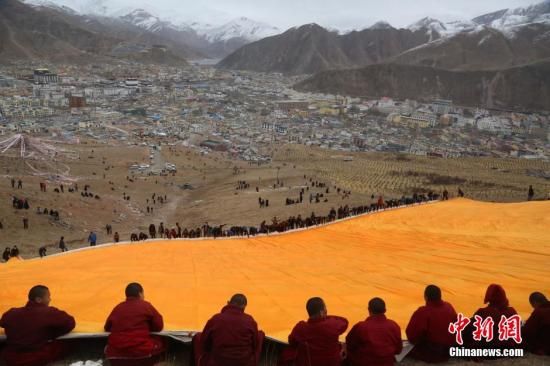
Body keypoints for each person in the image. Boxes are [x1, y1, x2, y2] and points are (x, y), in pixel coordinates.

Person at [0, 285, 75, 366]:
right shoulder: (49, 312)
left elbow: (2, 323)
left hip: (11, 358)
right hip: (35, 358)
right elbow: (70, 323)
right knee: (65, 345)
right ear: (38, 300)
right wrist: (52, 334)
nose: (50, 300)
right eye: (48, 297)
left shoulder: (11, 313)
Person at [104, 283, 166, 366]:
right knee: (161, 341)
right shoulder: (146, 306)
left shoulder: (118, 308)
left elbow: (107, 327)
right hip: (142, 355)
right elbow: (159, 326)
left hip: (116, 357)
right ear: (140, 294)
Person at [197, 294, 263, 366]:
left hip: (218, 362)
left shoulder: (216, 319)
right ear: (244, 306)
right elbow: (255, 344)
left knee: (198, 337)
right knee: (260, 335)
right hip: (243, 363)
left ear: (228, 303)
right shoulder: (250, 320)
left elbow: (204, 342)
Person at [284, 297, 348, 366]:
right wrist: (325, 317)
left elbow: (291, 340)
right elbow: (344, 321)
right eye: (325, 309)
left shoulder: (301, 328)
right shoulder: (332, 325)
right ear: (322, 312)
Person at [405, 285, 457, 363]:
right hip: (449, 350)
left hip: (432, 353)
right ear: (440, 296)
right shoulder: (449, 307)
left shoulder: (423, 312)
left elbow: (411, 335)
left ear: (425, 297)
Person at [346, 297, 402, 366]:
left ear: (369, 310)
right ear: (385, 310)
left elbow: (349, 344)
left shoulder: (361, 326)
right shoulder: (394, 325)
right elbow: (398, 350)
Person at [465, 284, 519, 354]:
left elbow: (468, 330)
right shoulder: (512, 312)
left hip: (488, 350)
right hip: (508, 349)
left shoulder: (483, 313)